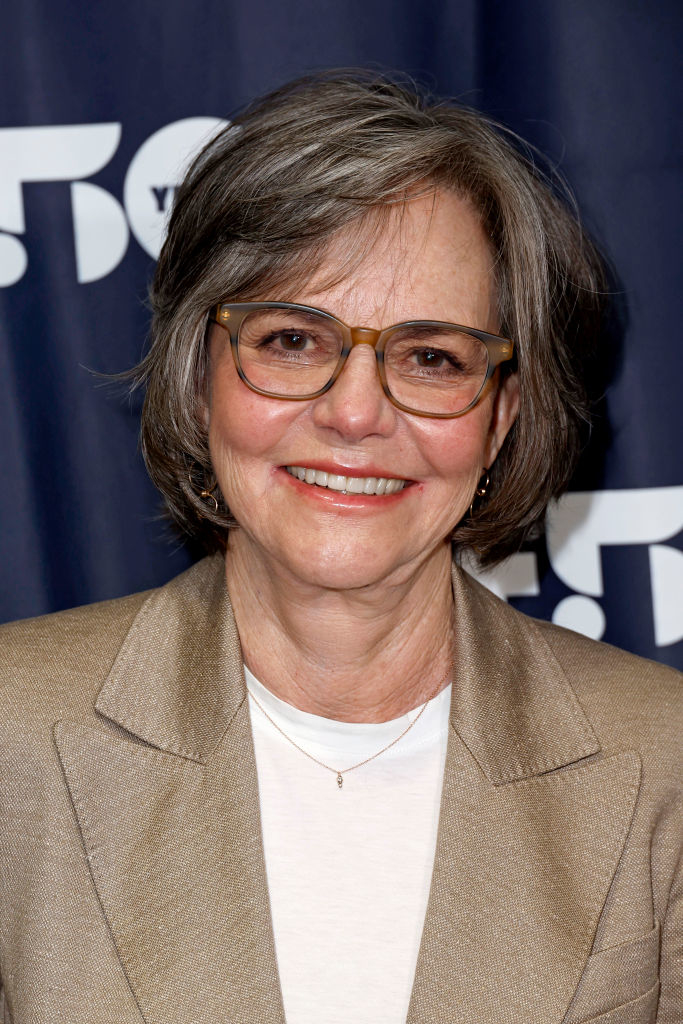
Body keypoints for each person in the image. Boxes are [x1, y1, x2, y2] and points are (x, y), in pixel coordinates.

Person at [0, 72, 680, 1024]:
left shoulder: (664, 764)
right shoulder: (12, 740)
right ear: (201, 382)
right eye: (290, 340)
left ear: (500, 421)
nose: (355, 412)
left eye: (431, 357)